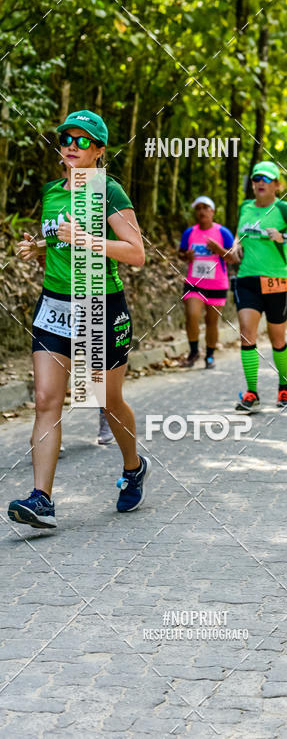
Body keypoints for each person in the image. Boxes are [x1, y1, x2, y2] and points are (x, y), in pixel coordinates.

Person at [8, 110, 149, 529]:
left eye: (83, 140)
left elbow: (137, 253)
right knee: (47, 401)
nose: (72, 145)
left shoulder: (108, 191)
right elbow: (60, 242)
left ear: (100, 150)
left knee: (105, 399)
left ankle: (133, 466)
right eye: (66, 138)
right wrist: (38, 249)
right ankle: (42, 499)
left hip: (99, 307)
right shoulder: (53, 191)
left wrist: (87, 239)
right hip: (55, 306)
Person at [230, 161, 287, 412]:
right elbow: (239, 235)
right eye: (256, 179)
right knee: (247, 332)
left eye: (266, 179)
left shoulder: (284, 209)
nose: (259, 183)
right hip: (247, 279)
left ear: (277, 185)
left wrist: (285, 237)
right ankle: (252, 393)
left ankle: (283, 385)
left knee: (277, 338)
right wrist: (235, 246)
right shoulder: (245, 207)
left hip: (277, 281)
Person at [178, 196, 234, 368]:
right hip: (194, 283)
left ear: (212, 211)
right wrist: (186, 256)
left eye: (205, 207)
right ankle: (193, 352)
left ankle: (210, 355)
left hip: (216, 284)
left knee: (212, 321)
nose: (202, 211)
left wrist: (219, 250)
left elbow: (232, 258)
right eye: (198, 208)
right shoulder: (190, 232)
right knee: (192, 315)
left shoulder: (223, 232)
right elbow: (180, 253)